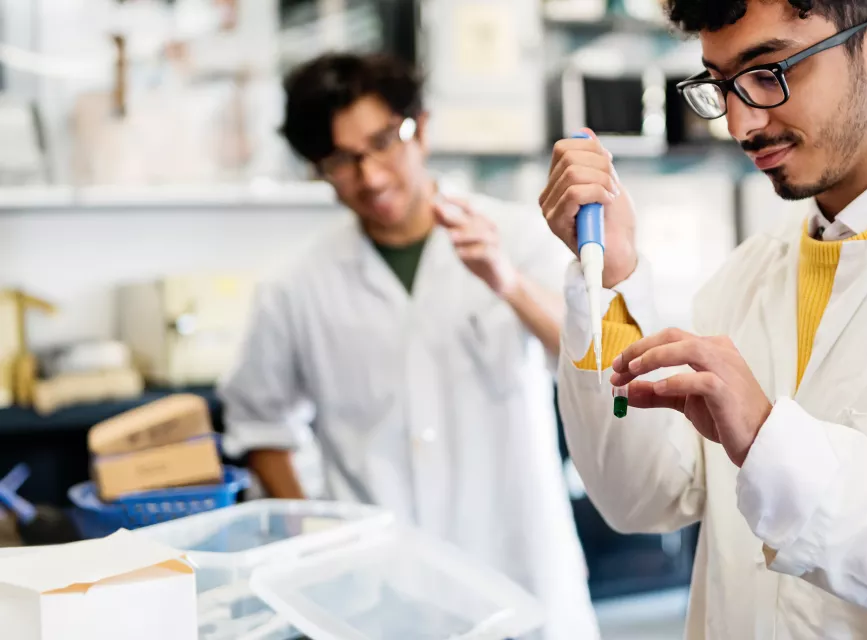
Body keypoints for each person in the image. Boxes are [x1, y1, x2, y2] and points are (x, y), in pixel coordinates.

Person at [541, 0, 867, 637]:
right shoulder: (744, 277)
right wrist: (614, 276)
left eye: (769, 72)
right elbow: (641, 498)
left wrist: (770, 439)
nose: (740, 122)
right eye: (720, 84)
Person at [219, 53, 600, 639]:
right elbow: (259, 425)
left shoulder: (518, 236)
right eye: (341, 161)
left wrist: (507, 283)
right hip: (378, 597)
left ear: (420, 127)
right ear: (317, 169)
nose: (370, 177)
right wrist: (310, 536)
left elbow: (591, 353)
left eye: (382, 143)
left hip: (518, 570)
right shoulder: (295, 287)